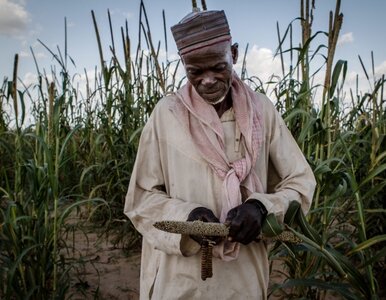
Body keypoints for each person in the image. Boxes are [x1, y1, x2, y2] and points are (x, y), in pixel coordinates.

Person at [124, 8, 316, 300]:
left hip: (245, 277)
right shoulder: (166, 115)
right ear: (184, 65)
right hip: (180, 279)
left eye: (218, 67)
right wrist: (187, 217)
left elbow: (301, 183)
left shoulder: (262, 111)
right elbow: (140, 199)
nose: (208, 80)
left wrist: (262, 208)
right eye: (196, 72)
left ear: (234, 54)